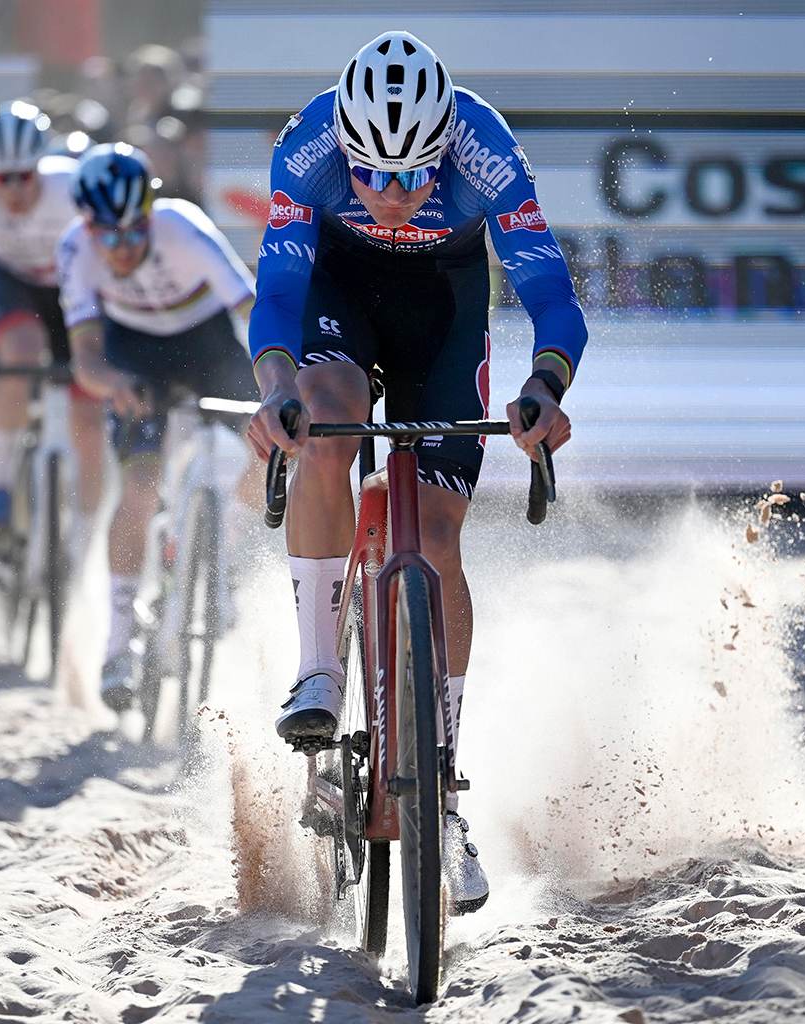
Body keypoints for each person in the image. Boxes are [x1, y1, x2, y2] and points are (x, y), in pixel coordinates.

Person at [246, 31, 588, 914]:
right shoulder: (307, 146)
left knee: (436, 540)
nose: (394, 194)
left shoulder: (487, 149)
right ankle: (318, 670)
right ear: (348, 153)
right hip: (340, 294)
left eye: (414, 175)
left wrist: (544, 387)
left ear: (443, 146)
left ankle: (442, 784)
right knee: (324, 426)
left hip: (442, 306)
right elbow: (279, 296)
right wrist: (277, 389)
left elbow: (552, 296)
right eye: (375, 175)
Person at [57, 143, 258, 710]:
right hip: (135, 353)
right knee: (141, 488)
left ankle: (225, 553)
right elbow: (87, 359)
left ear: (150, 214)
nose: (121, 248)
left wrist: (279, 379)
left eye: (133, 232)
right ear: (87, 226)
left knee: (271, 448)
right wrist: (110, 384)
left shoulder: (184, 229)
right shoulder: (75, 248)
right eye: (108, 236)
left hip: (207, 345)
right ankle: (118, 642)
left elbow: (251, 309)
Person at [0, 100, 106, 544]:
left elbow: (108, 261)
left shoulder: (72, 187)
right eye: (2, 178)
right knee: (19, 352)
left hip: (70, 286)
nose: (14, 189)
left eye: (25, 176)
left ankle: (84, 538)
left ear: (41, 165)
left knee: (90, 415)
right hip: (12, 281)